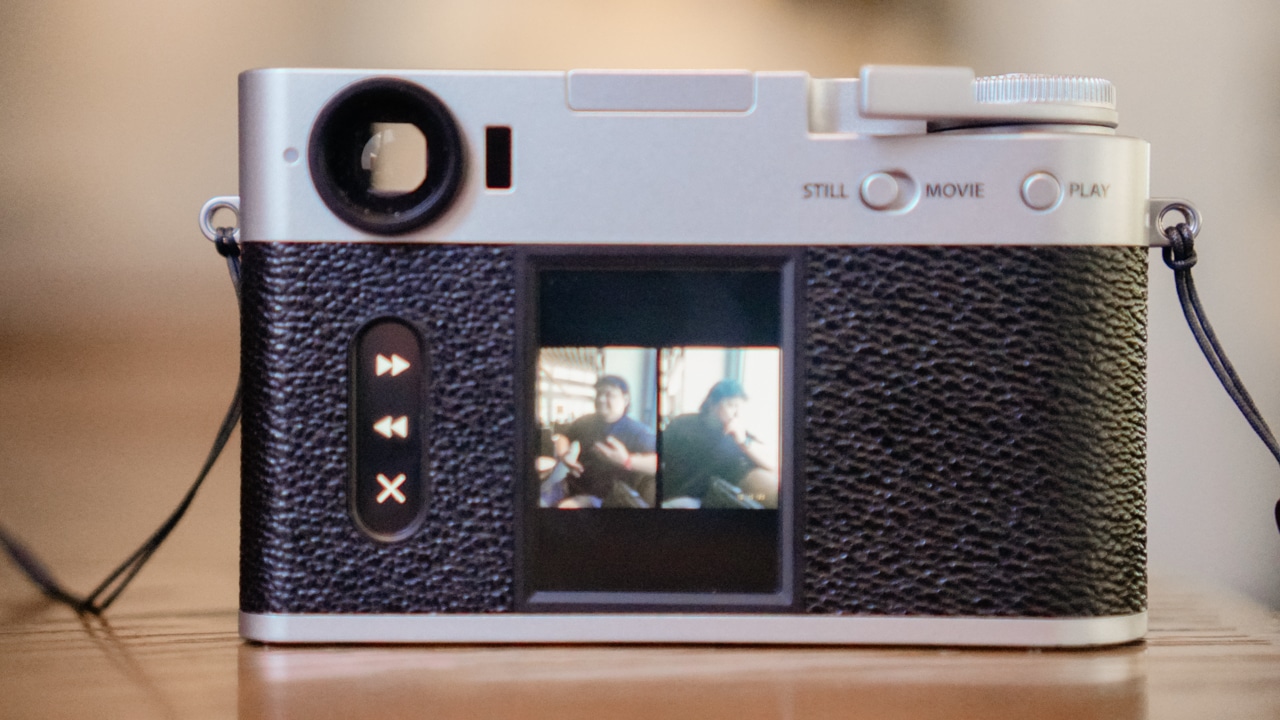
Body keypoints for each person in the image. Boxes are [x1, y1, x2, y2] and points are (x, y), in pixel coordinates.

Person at [660, 379, 777, 508]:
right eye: (731, 405)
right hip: (676, 497)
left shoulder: (737, 434)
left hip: (709, 502)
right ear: (712, 403)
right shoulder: (682, 424)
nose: (737, 413)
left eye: (739, 407)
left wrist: (743, 442)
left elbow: (773, 465)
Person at [552, 375, 657, 507]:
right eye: (599, 394)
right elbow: (563, 436)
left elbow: (657, 462)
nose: (601, 399)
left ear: (625, 400)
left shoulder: (637, 431)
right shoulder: (585, 421)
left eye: (609, 394)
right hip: (569, 485)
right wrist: (564, 456)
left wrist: (627, 460)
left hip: (606, 499)